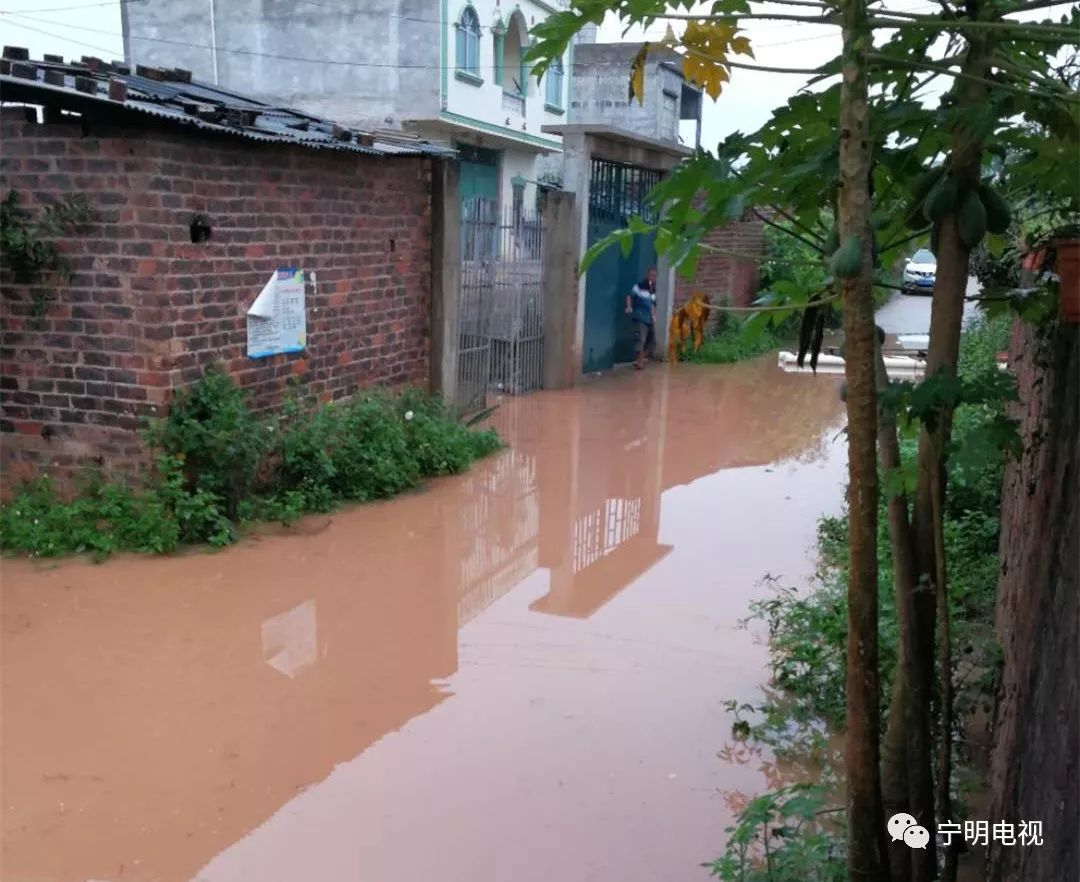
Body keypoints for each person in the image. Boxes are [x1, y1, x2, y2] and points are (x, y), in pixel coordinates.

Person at [625, 266, 658, 370]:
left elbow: (653, 304)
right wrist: (629, 306)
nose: (653, 277)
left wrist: (653, 316)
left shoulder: (653, 289)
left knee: (652, 341)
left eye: (655, 276)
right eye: (652, 275)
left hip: (649, 318)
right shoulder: (639, 286)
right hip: (639, 316)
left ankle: (640, 360)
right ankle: (640, 363)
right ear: (648, 275)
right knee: (641, 339)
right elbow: (629, 296)